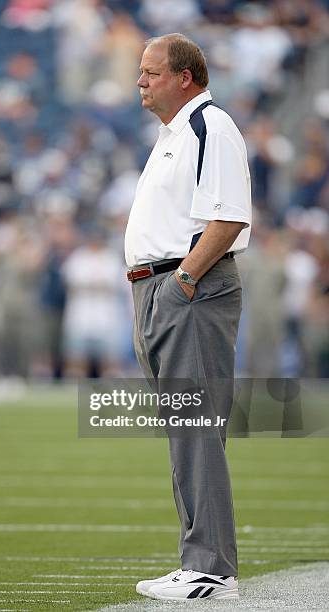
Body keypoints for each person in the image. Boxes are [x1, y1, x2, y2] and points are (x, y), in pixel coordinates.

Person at [125, 33, 251, 601]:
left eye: (151, 72)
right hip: (162, 288)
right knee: (186, 427)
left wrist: (180, 283)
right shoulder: (174, 134)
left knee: (196, 425)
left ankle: (209, 566)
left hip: (186, 287)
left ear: (185, 76)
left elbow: (226, 220)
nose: (141, 81)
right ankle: (199, 558)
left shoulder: (210, 125)